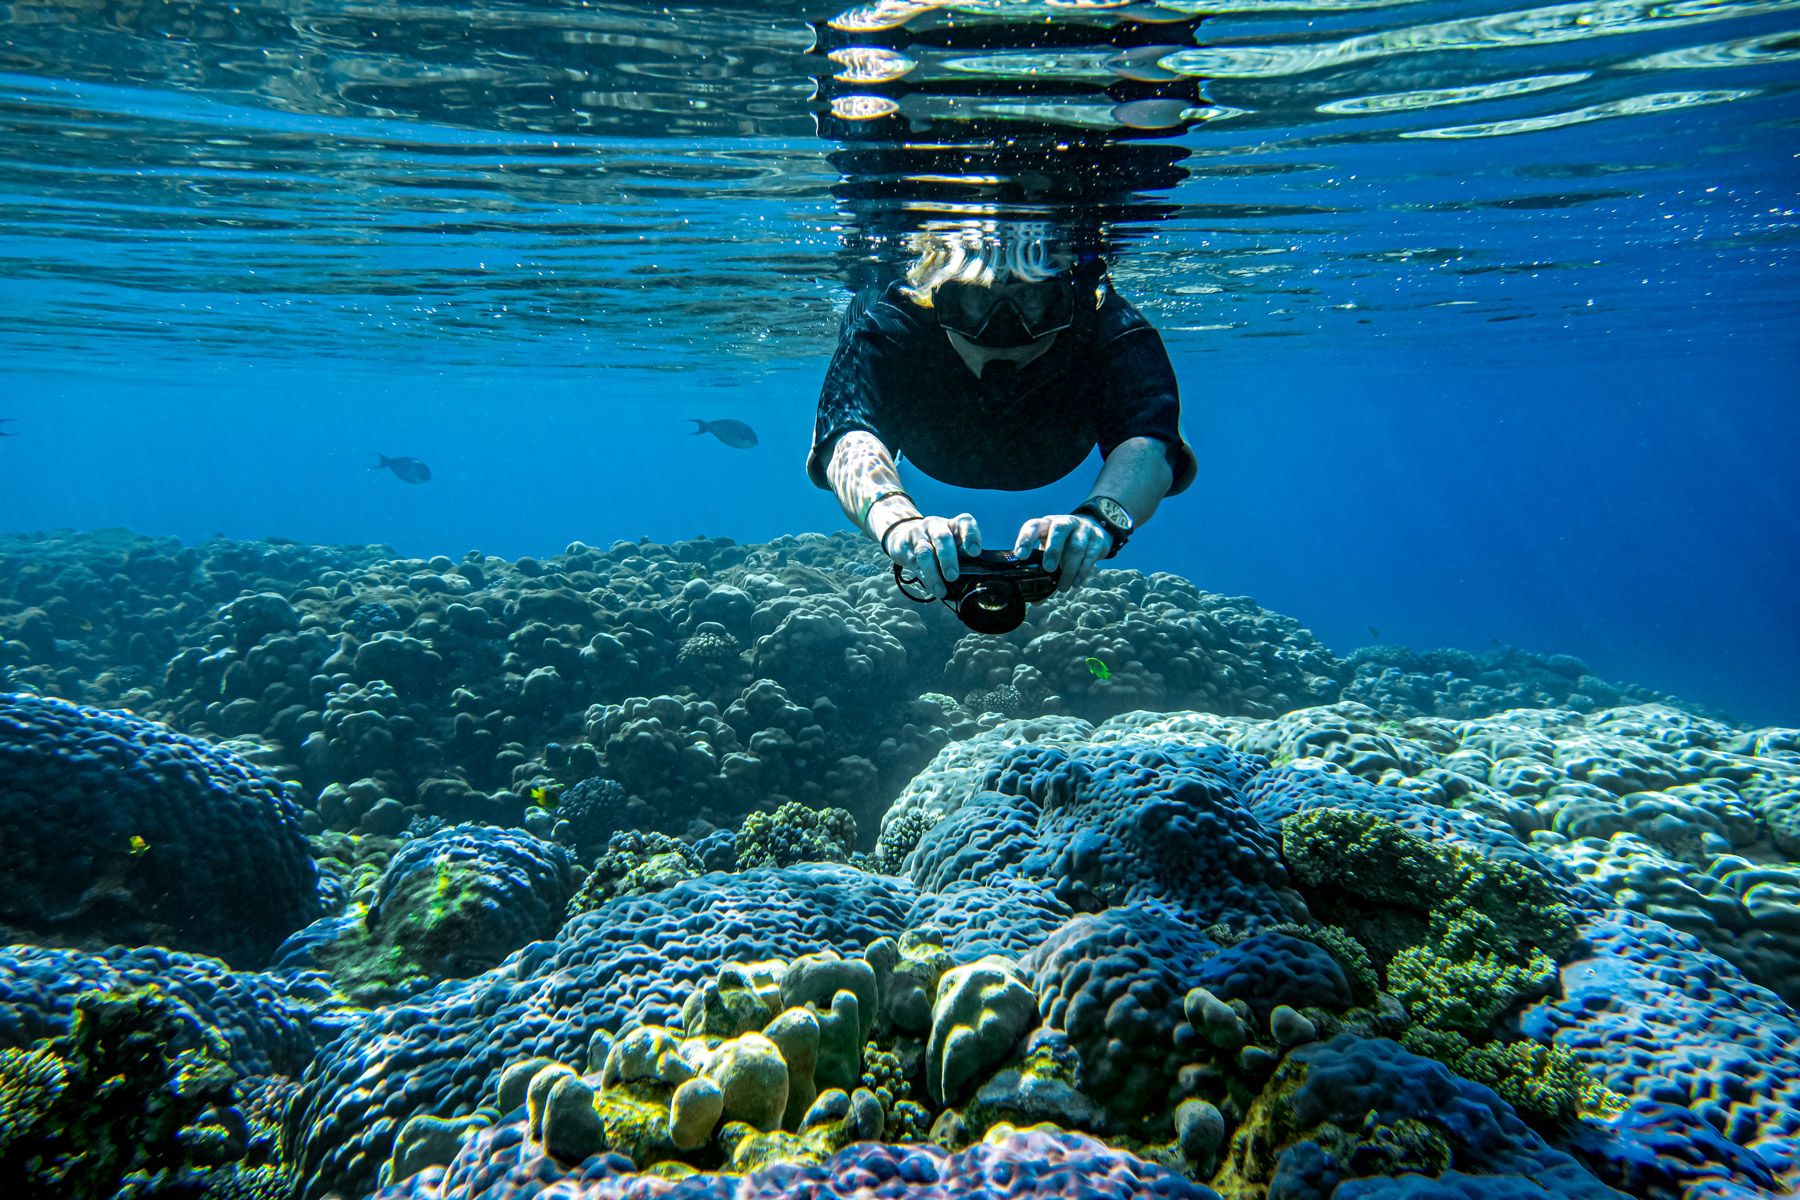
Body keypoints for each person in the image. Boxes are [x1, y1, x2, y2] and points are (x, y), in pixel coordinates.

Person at [808, 227, 1196, 598]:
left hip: (944, 448)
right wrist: (896, 522)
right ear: (935, 295)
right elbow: (846, 436)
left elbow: (1151, 440)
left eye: (1034, 301)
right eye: (973, 302)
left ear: (1069, 300)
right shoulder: (893, 324)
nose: (1004, 332)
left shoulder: (1107, 323)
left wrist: (1101, 520)